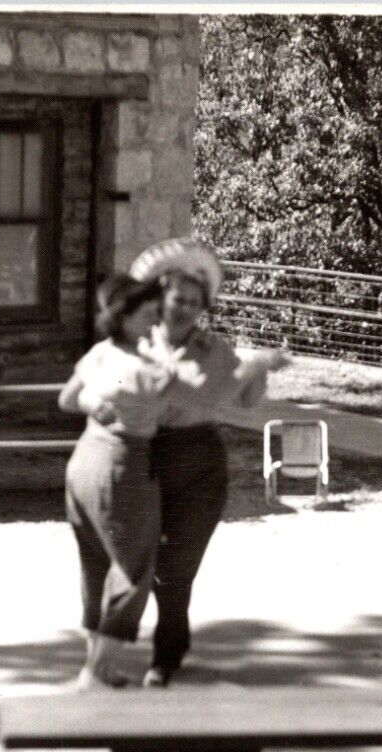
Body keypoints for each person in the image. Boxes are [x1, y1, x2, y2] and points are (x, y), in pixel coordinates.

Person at [126, 238, 288, 688]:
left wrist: (259, 370)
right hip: (140, 457)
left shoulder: (213, 351)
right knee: (137, 561)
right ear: (161, 297)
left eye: (194, 304)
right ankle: (122, 648)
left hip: (196, 463)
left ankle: (166, 656)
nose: (184, 309)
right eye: (178, 299)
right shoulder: (134, 344)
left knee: (174, 568)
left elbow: (246, 399)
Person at [56, 275, 175, 688]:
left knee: (95, 565)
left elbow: (68, 399)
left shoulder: (100, 353)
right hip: (122, 466)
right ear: (122, 316)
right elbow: (131, 385)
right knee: (134, 569)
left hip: (84, 460)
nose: (155, 323)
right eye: (148, 315)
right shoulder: (135, 366)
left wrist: (94, 399)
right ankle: (93, 672)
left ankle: (100, 666)